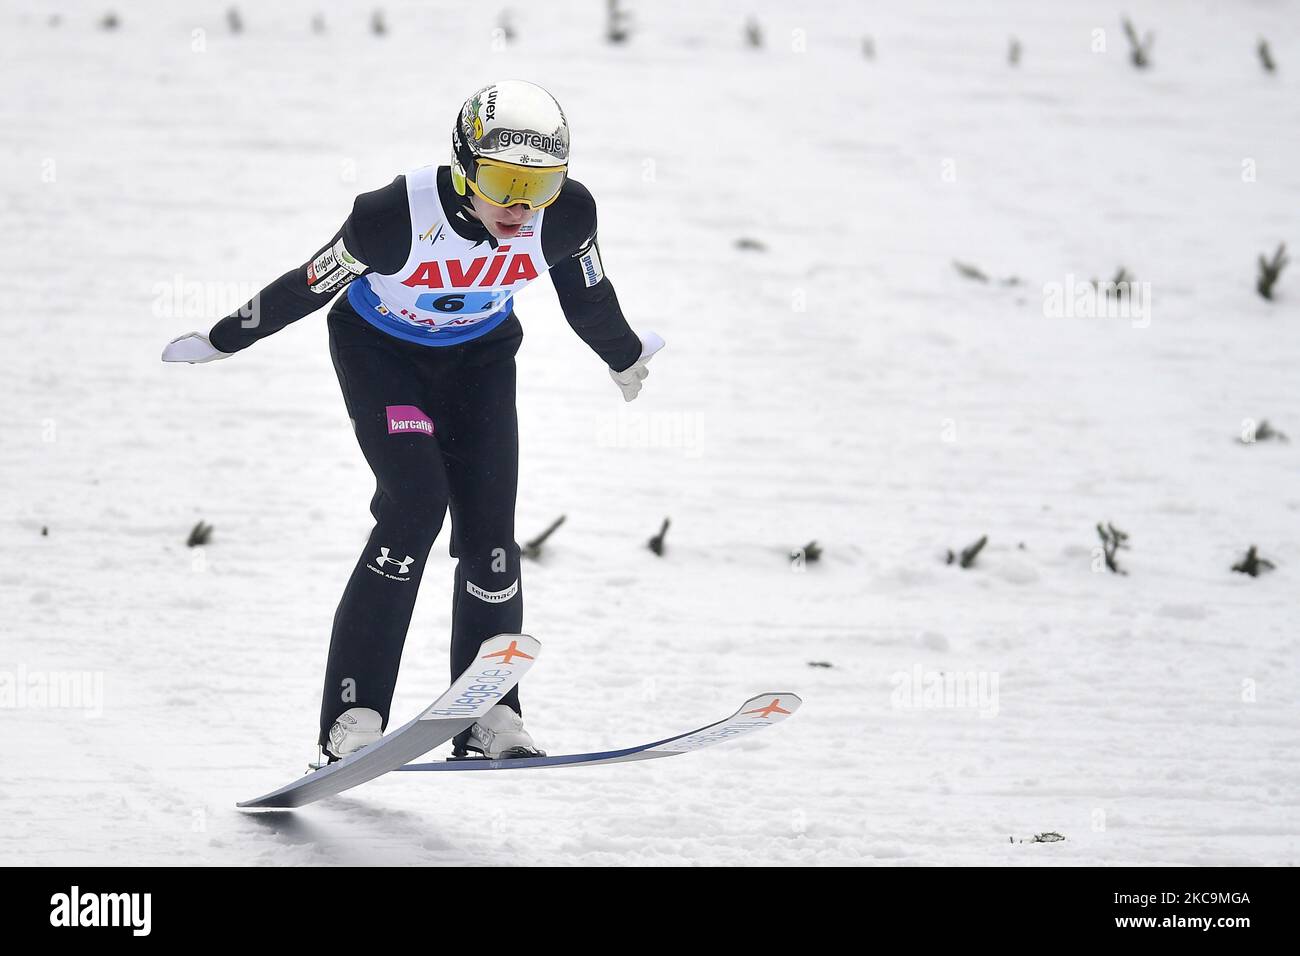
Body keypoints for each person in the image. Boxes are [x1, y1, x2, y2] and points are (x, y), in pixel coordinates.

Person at [162, 79, 664, 762]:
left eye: (540, 185)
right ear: (463, 168)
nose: (521, 206)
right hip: (382, 360)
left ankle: (489, 713)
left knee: (491, 537)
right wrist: (227, 336)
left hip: (480, 363)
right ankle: (353, 719)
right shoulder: (390, 217)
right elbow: (309, 283)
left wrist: (625, 355)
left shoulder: (566, 216)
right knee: (415, 507)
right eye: (503, 180)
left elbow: (590, 297)